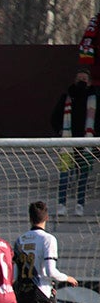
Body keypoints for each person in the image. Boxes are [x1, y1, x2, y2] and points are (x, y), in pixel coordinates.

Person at [50, 67, 97, 217]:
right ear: (75, 81)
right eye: (79, 79)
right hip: (67, 144)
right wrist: (60, 133)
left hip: (87, 145)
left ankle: (79, 205)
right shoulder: (66, 98)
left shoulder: (95, 99)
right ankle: (61, 205)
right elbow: (54, 118)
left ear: (89, 82)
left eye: (84, 79)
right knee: (64, 176)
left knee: (83, 176)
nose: (81, 82)